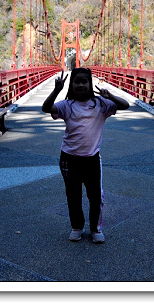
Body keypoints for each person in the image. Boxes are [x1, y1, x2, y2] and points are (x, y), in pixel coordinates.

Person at [42, 67, 129, 243]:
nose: (81, 85)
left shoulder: (101, 105)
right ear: (71, 84)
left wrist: (109, 95)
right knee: (73, 195)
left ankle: (96, 229)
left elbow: (125, 105)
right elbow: (46, 108)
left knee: (95, 196)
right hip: (69, 158)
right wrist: (56, 90)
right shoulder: (66, 105)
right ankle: (77, 227)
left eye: (84, 81)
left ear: (90, 84)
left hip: (91, 159)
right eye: (77, 81)